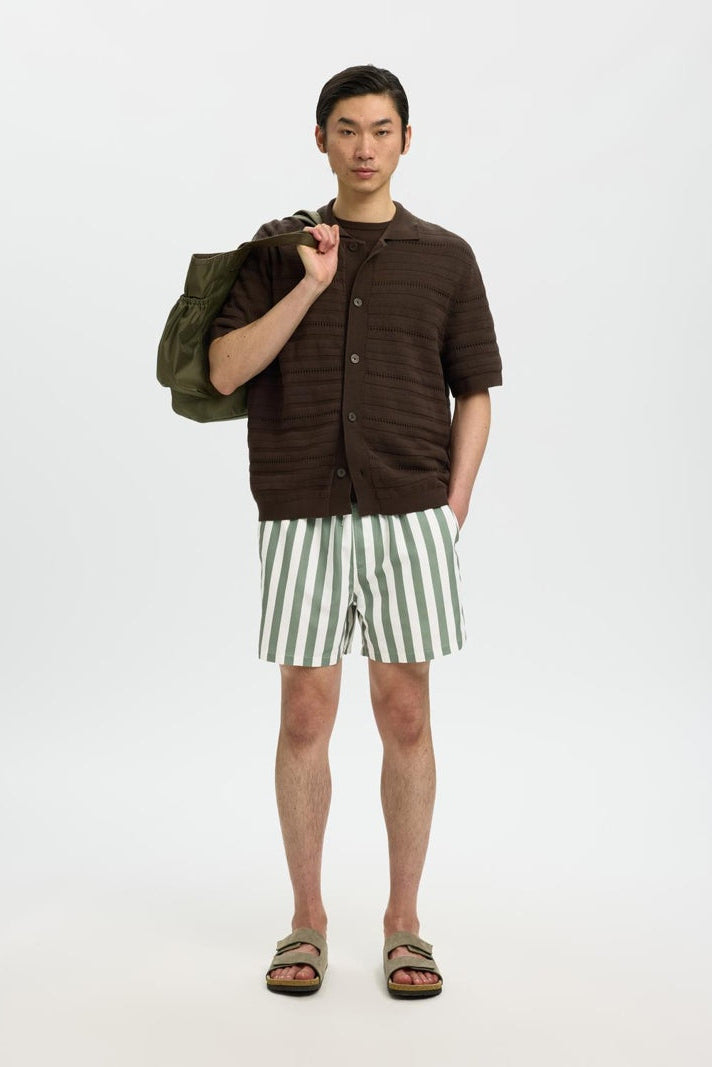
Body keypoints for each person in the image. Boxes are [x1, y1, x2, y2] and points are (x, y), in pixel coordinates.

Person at [207, 65, 502, 999]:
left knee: (406, 712)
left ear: (405, 140)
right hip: (301, 511)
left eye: (381, 129)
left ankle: (404, 923)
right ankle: (307, 919)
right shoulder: (276, 253)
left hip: (412, 515)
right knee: (304, 713)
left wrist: (452, 507)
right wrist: (309, 284)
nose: (364, 147)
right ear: (321, 139)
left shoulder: (447, 257)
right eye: (347, 129)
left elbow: (475, 391)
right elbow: (223, 371)